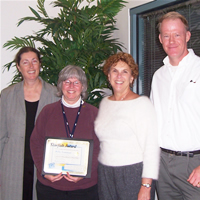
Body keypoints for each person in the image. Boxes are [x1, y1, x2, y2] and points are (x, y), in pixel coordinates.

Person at [95, 52, 160, 200]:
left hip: (132, 174)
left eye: (125, 72)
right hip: (105, 173)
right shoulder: (105, 103)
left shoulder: (142, 104)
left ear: (131, 78)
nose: (119, 76)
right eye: (115, 71)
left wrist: (146, 186)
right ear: (109, 76)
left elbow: (151, 148)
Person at [30, 65, 99, 200]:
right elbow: (35, 143)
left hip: (84, 189)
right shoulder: (47, 111)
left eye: (76, 82)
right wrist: (43, 171)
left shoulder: (94, 113)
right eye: (66, 82)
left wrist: (84, 172)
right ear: (60, 85)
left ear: (83, 87)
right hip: (50, 187)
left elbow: (100, 147)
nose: (71, 86)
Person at [150, 11, 200, 200]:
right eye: (166, 35)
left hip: (194, 166)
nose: (171, 40)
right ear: (160, 39)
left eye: (177, 34)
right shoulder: (158, 76)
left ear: (187, 36)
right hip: (162, 165)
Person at [0, 46, 59, 200]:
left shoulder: (55, 95)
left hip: (43, 165)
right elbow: (1, 134)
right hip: (12, 163)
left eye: (34, 61)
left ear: (40, 64)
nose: (31, 66)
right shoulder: (7, 95)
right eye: (25, 62)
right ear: (19, 67)